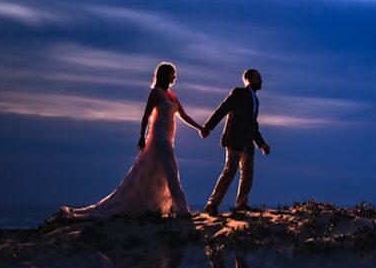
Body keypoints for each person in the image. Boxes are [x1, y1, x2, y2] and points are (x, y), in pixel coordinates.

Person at [58, 62, 202, 220]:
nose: (174, 76)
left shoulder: (172, 95)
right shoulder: (156, 93)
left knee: (156, 173)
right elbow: (146, 116)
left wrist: (200, 128)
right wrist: (142, 136)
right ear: (165, 75)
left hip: (169, 136)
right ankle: (182, 210)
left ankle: (153, 206)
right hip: (159, 136)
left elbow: (184, 115)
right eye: (172, 73)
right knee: (171, 169)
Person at [200, 69, 270, 216]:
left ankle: (242, 204)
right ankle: (212, 204)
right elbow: (223, 109)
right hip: (235, 139)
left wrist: (261, 143)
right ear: (249, 79)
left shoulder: (255, 100)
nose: (261, 81)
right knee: (230, 172)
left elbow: (253, 124)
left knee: (248, 174)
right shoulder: (239, 93)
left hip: (247, 142)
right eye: (258, 78)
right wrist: (208, 127)